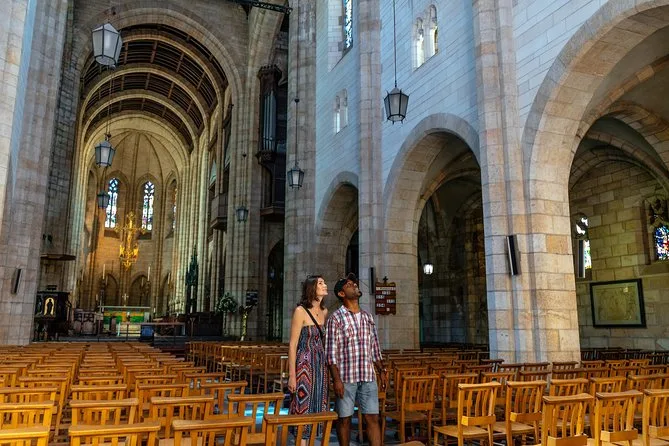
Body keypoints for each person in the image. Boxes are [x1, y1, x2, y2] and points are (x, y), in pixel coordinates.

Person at [326, 273, 387, 446]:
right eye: (349, 285)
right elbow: (331, 353)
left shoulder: (368, 317)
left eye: (354, 283)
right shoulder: (336, 318)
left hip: (368, 375)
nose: (354, 285)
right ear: (341, 294)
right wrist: (336, 380)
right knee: (344, 419)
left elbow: (375, 348)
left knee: (373, 417)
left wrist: (381, 370)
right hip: (346, 377)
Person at [288, 275, 329, 443]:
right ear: (312, 288)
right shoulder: (300, 311)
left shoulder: (325, 312)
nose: (325, 285)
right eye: (321, 283)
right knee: (302, 407)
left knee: (317, 407)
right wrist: (292, 375)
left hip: (320, 366)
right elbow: (293, 345)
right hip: (304, 366)